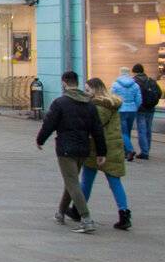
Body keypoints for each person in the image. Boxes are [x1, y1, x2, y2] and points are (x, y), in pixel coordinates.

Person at [38, 71, 107, 232]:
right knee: (71, 181)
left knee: (72, 182)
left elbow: (49, 124)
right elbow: (97, 130)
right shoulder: (89, 104)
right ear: (77, 83)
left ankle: (86, 218)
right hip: (83, 148)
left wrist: (40, 140)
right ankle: (61, 213)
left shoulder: (60, 103)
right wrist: (101, 152)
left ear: (64, 83)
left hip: (66, 149)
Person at [65, 77, 132, 230]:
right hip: (114, 147)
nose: (86, 93)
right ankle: (124, 213)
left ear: (95, 90)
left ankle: (78, 209)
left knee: (87, 180)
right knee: (114, 182)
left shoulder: (99, 107)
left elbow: (94, 128)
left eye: (88, 90)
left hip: (99, 148)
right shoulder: (112, 103)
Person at [111, 67, 142, 162]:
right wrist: (135, 107)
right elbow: (139, 99)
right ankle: (126, 152)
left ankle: (129, 150)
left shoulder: (115, 84)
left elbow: (112, 98)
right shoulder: (135, 85)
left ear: (120, 73)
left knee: (123, 132)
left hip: (121, 110)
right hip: (132, 110)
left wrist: (114, 108)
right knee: (127, 131)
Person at [131, 63, 158, 160]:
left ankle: (144, 152)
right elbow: (159, 92)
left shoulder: (135, 81)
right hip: (151, 108)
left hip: (141, 109)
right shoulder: (150, 80)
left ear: (134, 71)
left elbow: (134, 96)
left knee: (142, 130)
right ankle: (147, 149)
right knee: (148, 129)